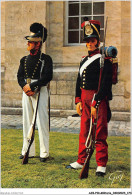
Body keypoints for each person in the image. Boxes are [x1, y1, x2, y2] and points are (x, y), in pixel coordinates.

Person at [66, 18, 112, 176]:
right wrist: (77, 100)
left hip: (97, 98)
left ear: (98, 42)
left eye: (92, 41)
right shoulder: (83, 60)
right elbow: (79, 81)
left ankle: (101, 164)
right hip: (84, 98)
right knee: (84, 130)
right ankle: (81, 160)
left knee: (99, 131)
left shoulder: (105, 60)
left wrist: (96, 102)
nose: (89, 44)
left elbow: (106, 84)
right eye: (87, 41)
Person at [17, 22, 53, 162]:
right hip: (26, 91)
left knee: (41, 121)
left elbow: (47, 76)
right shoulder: (24, 59)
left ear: (38, 44)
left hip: (40, 91)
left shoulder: (46, 59)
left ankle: (44, 153)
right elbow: (19, 76)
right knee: (27, 121)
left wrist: (33, 86)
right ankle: (27, 150)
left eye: (31, 42)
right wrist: (25, 87)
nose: (28, 44)